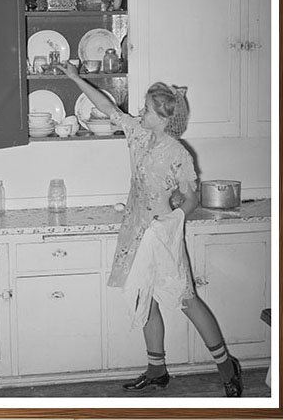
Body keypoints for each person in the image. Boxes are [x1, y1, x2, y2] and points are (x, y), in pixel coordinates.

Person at [58, 62, 243, 397]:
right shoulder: (137, 134)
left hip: (162, 235)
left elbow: (191, 195)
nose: (140, 111)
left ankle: (226, 365)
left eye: (147, 108)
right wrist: (74, 77)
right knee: (144, 299)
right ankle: (156, 370)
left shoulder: (178, 154)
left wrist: (174, 220)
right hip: (135, 232)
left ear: (164, 116)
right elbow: (106, 106)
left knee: (186, 300)